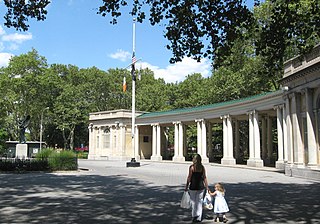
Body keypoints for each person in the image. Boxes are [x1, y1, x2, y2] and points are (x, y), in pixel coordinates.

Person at [185, 154, 209, 223]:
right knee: (199, 202)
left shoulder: (192, 167)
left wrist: (186, 186)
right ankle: (199, 217)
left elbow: (189, 177)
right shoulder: (202, 167)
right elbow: (204, 177)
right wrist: (207, 187)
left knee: (193, 202)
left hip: (193, 186)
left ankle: (194, 216)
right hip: (201, 187)